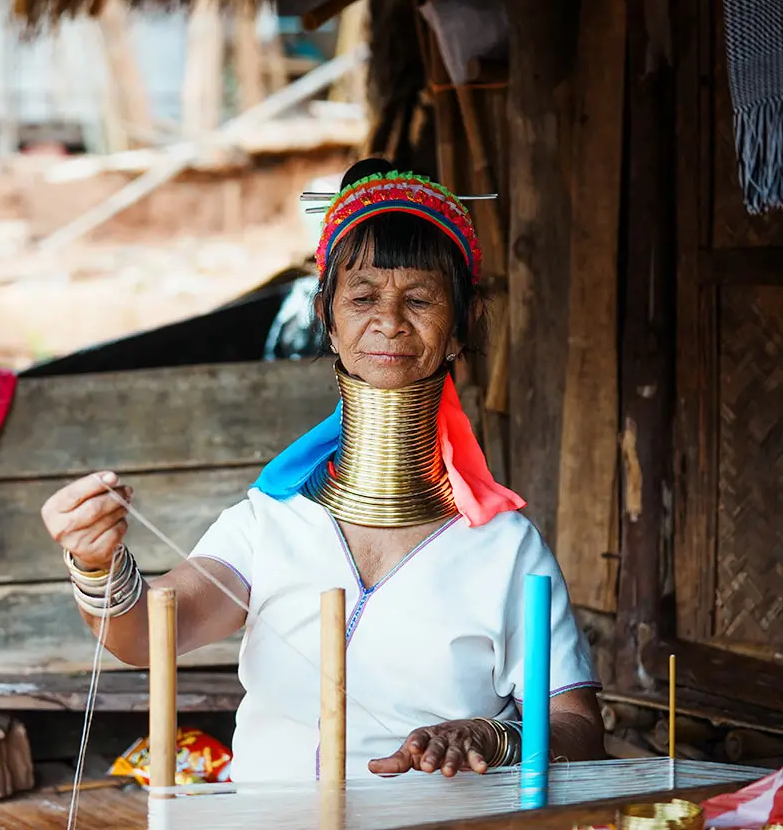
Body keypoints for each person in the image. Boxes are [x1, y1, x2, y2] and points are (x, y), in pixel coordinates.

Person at [40, 159, 605, 783]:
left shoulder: (505, 550)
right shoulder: (268, 524)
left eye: (419, 299)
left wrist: (495, 738)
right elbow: (146, 635)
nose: (389, 322)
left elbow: (578, 728)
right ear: (327, 321)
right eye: (362, 298)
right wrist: (95, 564)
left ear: (457, 329)